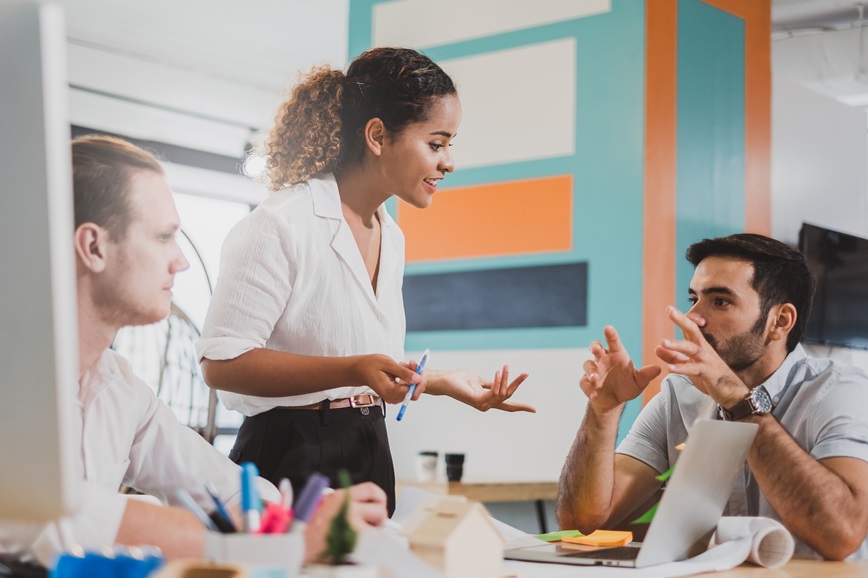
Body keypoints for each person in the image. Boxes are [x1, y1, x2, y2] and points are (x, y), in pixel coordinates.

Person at [0, 135, 388, 567]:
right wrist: (281, 545)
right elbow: (61, 518)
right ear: (93, 247)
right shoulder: (11, 388)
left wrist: (298, 515)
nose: (180, 260)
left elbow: (220, 487)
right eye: (164, 237)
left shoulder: (120, 390)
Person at [196, 47, 534, 514]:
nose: (449, 161)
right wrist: (354, 369)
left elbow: (366, 365)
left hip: (370, 446)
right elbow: (221, 362)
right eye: (436, 144)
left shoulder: (390, 235)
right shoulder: (280, 224)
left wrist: (441, 381)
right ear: (377, 135)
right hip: (290, 456)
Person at [557, 233, 868, 560]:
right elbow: (584, 523)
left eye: (720, 301)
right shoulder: (679, 395)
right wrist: (604, 412)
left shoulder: (839, 390)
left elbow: (841, 535)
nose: (693, 317)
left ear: (779, 321)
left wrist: (737, 400)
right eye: (694, 299)